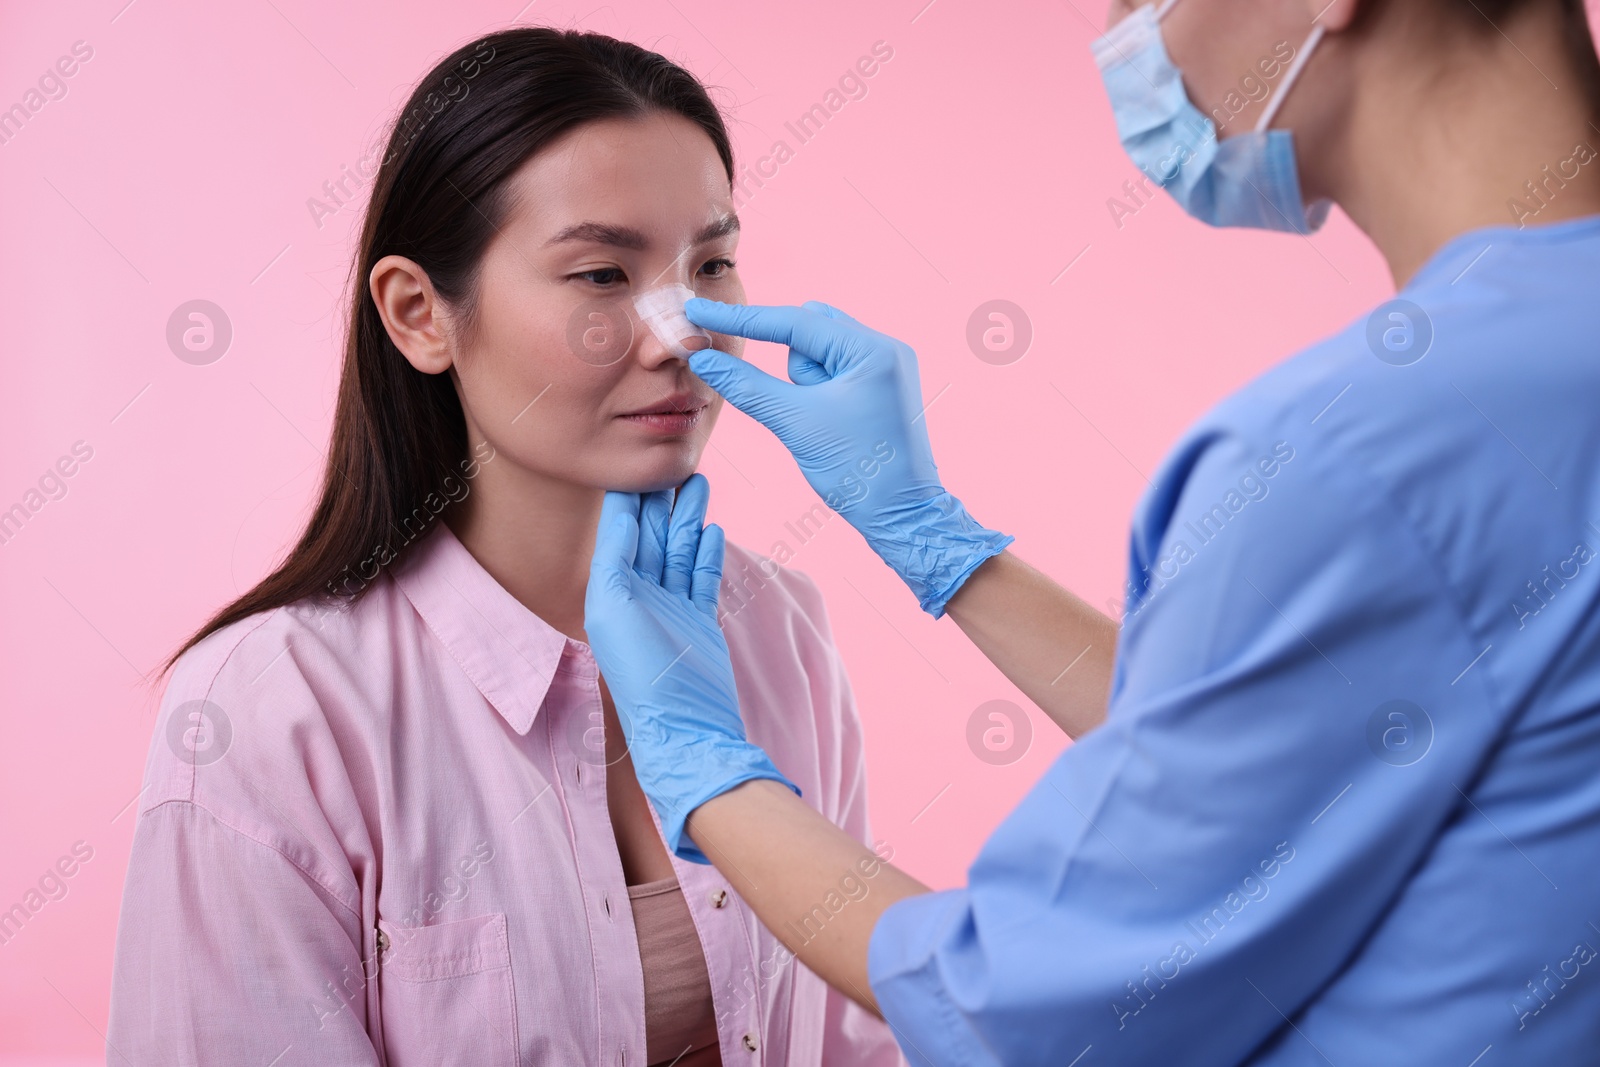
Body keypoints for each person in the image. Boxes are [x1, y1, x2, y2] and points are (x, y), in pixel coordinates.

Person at [581, 0, 1600, 1062]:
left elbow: (1028, 999)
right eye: (601, 272)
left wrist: (705, 771)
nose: (1125, 36)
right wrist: (936, 541)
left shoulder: (1371, 448)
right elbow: (1290, 749)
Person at [105, 28, 903, 1067]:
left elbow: (859, 1036)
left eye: (711, 262)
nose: (679, 332)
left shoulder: (777, 630)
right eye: (602, 273)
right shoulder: (270, 712)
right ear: (419, 313)